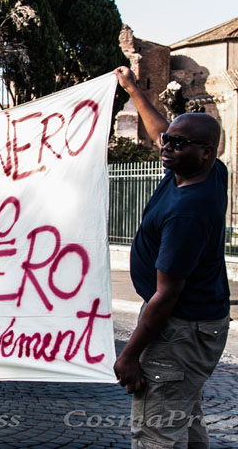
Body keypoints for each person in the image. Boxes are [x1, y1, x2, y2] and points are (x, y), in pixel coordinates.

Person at [112, 66, 231, 447]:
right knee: (185, 422)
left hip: (182, 328)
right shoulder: (208, 172)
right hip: (199, 324)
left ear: (205, 152)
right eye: (168, 141)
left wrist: (130, 355)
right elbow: (160, 128)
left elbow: (167, 295)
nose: (166, 146)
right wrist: (131, 87)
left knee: (156, 433)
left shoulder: (188, 212)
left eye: (177, 144)